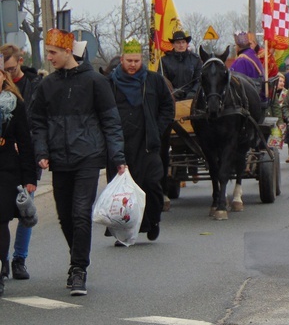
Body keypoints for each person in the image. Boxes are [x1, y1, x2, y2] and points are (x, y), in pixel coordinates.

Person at [32, 29, 126, 296]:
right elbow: (37, 122)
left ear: (66, 52)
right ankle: (77, 257)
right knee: (65, 217)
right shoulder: (47, 86)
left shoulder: (95, 82)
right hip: (59, 160)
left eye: (52, 53)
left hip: (87, 157)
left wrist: (117, 157)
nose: (48, 57)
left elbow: (111, 122)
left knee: (81, 213)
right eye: (47, 52)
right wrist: (41, 151)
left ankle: (78, 269)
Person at [108, 39, 174, 244]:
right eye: (129, 60)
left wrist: (157, 128)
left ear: (141, 60)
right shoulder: (110, 82)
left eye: (136, 60)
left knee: (152, 185)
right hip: (120, 146)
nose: (133, 65)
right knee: (122, 193)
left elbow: (167, 107)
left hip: (147, 144)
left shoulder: (154, 80)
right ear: (122, 60)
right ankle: (123, 232)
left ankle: (153, 221)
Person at [0, 44, 41, 281]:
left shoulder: (15, 103)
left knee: (7, 218)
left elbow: (26, 142)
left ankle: (14, 261)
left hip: (8, 170)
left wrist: (29, 177)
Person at [161, 30, 202, 101]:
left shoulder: (196, 59)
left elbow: (199, 79)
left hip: (192, 98)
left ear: (186, 44)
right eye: (178, 43)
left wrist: (193, 91)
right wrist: (172, 91)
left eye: (183, 42)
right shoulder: (164, 60)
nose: (181, 45)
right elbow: (161, 79)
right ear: (173, 45)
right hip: (170, 98)